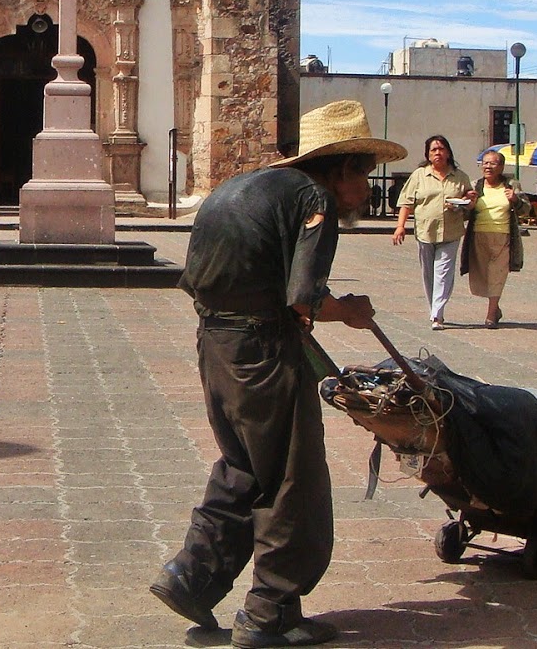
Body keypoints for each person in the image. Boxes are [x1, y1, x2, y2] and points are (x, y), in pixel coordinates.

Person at [152, 100, 404, 649]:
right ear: (341, 170)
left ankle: (191, 578)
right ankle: (271, 612)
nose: (366, 191)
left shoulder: (241, 187)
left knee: (242, 467)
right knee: (293, 480)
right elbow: (302, 297)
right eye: (363, 175)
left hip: (216, 345)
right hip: (264, 352)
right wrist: (350, 311)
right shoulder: (314, 199)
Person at [392, 135, 475, 330]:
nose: (438, 153)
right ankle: (434, 309)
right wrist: (400, 226)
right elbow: (406, 202)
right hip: (425, 232)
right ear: (428, 155)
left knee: (443, 273)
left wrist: (468, 200)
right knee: (428, 274)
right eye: (433, 150)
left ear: (448, 152)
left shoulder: (460, 176)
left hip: (451, 232)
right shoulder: (419, 175)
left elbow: (470, 202)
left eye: (441, 149)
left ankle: (437, 315)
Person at [460, 151, 531, 328]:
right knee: (482, 275)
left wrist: (515, 199)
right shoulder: (475, 186)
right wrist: (468, 204)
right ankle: (496, 307)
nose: (488, 167)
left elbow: (526, 209)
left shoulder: (511, 185)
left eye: (492, 164)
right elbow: (464, 214)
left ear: (501, 167)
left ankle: (491, 314)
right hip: (478, 236)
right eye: (485, 163)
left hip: (503, 237)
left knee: (498, 274)